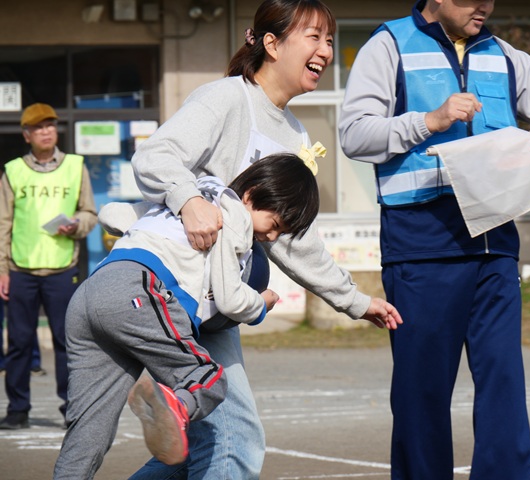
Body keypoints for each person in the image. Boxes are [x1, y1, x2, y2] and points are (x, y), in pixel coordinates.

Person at [127, 1, 402, 478]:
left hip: (216, 309)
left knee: (196, 450)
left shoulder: (294, 134)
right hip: (173, 295)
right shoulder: (226, 98)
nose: (326, 51)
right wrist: (189, 200)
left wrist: (354, 300)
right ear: (272, 44)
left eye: (330, 40)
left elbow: (293, 241)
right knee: (235, 438)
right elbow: (156, 158)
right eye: (313, 37)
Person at [338, 1, 530, 478]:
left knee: (504, 385)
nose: (484, 6)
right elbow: (353, 134)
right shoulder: (388, 46)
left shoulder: (504, 54)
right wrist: (428, 121)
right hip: (421, 246)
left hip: (496, 246)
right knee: (421, 392)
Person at [54, 152, 343, 479]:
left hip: (90, 294)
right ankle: (174, 407)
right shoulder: (231, 216)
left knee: (89, 428)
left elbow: (111, 214)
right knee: (208, 378)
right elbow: (230, 299)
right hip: (139, 291)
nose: (272, 238)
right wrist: (261, 303)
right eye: (274, 225)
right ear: (250, 195)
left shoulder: (185, 198)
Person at [0, 103, 97, 430]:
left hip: (62, 269)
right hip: (20, 270)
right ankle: (17, 410)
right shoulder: (13, 171)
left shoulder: (75, 167)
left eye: (51, 125)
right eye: (39, 127)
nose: (46, 131)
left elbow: (90, 213)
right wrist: (2, 270)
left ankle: (72, 408)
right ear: (26, 135)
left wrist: (77, 224)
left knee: (67, 342)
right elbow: (3, 223)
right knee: (18, 343)